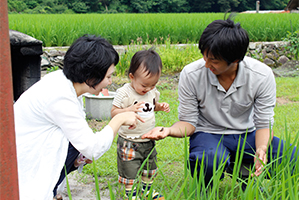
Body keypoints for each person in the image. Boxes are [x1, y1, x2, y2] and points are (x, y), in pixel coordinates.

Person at [142, 16, 298, 189]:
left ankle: (243, 171)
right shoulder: (191, 74)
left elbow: (263, 123)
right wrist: (168, 130)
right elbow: (189, 122)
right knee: (209, 159)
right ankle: (209, 184)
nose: (206, 64)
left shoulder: (261, 75)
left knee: (293, 158)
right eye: (204, 56)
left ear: (236, 59)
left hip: (247, 136)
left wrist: (261, 148)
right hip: (208, 134)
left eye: (214, 61)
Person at [14, 35, 144, 200]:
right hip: (23, 169)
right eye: (108, 76)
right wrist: (119, 119)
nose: (110, 82)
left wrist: (76, 159)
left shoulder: (66, 85)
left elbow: (80, 137)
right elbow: (93, 148)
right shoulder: (59, 96)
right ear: (90, 76)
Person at [111, 49, 170, 200]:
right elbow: (113, 112)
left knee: (149, 168)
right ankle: (130, 193)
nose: (149, 89)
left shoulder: (152, 91)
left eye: (153, 85)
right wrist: (129, 110)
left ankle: (146, 190)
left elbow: (152, 106)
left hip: (148, 139)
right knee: (129, 169)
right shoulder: (124, 93)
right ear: (132, 77)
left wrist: (160, 106)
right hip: (129, 141)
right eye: (145, 85)